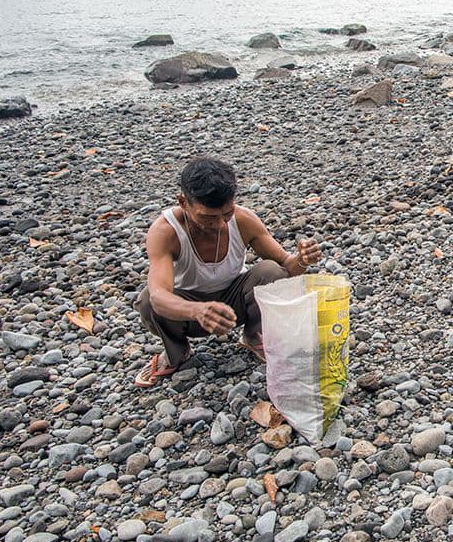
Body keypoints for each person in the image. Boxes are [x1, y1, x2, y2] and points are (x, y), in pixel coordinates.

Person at [133, 157, 323, 387]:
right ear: (183, 202)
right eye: (208, 217)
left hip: (235, 304)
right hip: (187, 312)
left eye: (226, 213)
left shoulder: (244, 220)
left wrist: (302, 261)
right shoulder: (165, 232)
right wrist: (198, 310)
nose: (221, 224)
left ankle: (254, 336)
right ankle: (177, 352)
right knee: (147, 302)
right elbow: (158, 296)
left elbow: (286, 269)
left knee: (271, 271)